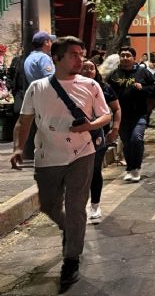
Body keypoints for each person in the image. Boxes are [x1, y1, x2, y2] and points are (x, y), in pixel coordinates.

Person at [9, 37, 112, 291]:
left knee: (76, 206)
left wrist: (90, 126)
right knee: (48, 205)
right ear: (56, 57)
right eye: (74, 55)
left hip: (82, 153)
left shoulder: (90, 85)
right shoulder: (38, 87)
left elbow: (106, 114)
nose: (80, 59)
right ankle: (70, 229)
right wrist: (19, 148)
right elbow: (24, 121)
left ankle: (71, 259)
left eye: (81, 53)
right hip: (48, 157)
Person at [107, 47, 155, 183]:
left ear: (134, 58)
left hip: (139, 114)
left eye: (127, 55)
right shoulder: (114, 74)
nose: (124, 58)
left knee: (136, 139)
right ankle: (129, 168)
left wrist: (143, 88)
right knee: (127, 143)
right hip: (121, 115)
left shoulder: (143, 72)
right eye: (122, 55)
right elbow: (108, 92)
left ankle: (136, 168)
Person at [79, 59, 121, 223]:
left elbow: (116, 109)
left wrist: (115, 128)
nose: (88, 71)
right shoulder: (70, 86)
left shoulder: (104, 88)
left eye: (91, 68)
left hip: (98, 135)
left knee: (94, 170)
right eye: (85, 68)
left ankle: (95, 205)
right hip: (75, 137)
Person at [21, 31, 56, 159]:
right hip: (48, 97)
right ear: (46, 42)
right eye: (50, 41)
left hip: (37, 97)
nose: (52, 43)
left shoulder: (29, 58)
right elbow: (51, 79)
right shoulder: (44, 58)